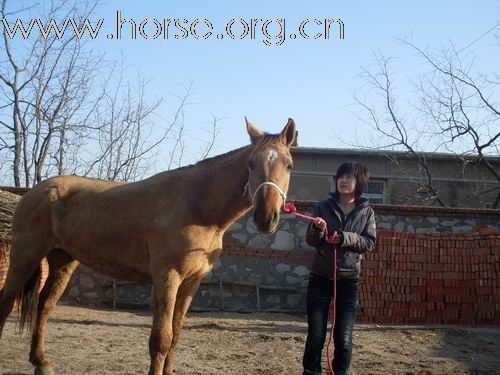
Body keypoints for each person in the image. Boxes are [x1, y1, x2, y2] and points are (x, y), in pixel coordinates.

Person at [302, 161, 377, 375]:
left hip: (348, 281)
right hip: (320, 278)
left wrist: (345, 238)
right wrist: (317, 230)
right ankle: (311, 371)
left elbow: (369, 243)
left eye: (349, 177)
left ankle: (340, 372)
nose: (343, 181)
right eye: (340, 177)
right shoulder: (323, 207)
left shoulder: (367, 212)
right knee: (316, 334)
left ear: (359, 182)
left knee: (343, 337)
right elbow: (311, 241)